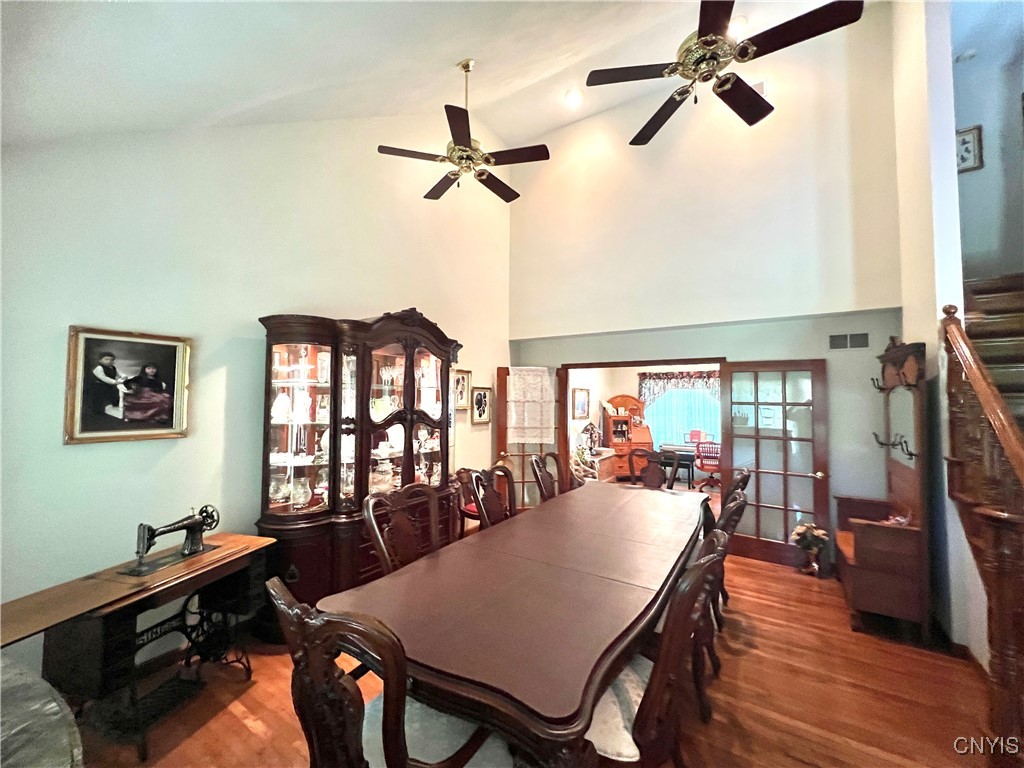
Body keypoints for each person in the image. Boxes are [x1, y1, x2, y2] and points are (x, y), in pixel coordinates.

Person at [87, 351, 124, 416]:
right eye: (106, 359)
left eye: (111, 360)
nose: (109, 361)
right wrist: (115, 382)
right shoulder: (99, 368)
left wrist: (124, 376)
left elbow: (120, 373)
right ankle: (97, 413)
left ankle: (113, 411)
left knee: (114, 396)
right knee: (99, 400)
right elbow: (103, 377)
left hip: (109, 386)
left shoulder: (113, 368)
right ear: (100, 360)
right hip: (99, 387)